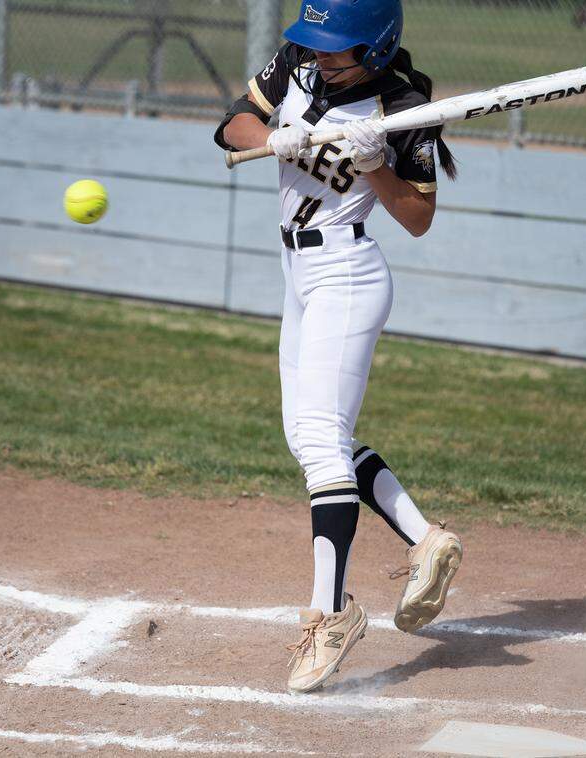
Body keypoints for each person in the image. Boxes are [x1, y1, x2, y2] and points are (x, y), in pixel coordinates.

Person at [214, 0, 463, 694]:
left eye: (339, 49)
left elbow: (417, 217)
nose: (323, 58)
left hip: (348, 276)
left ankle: (331, 615)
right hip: (297, 271)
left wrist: (377, 165)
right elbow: (232, 123)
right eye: (318, 45)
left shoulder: (405, 105)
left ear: (377, 49)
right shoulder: (300, 61)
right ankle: (424, 538)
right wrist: (277, 136)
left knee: (321, 440)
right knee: (312, 437)